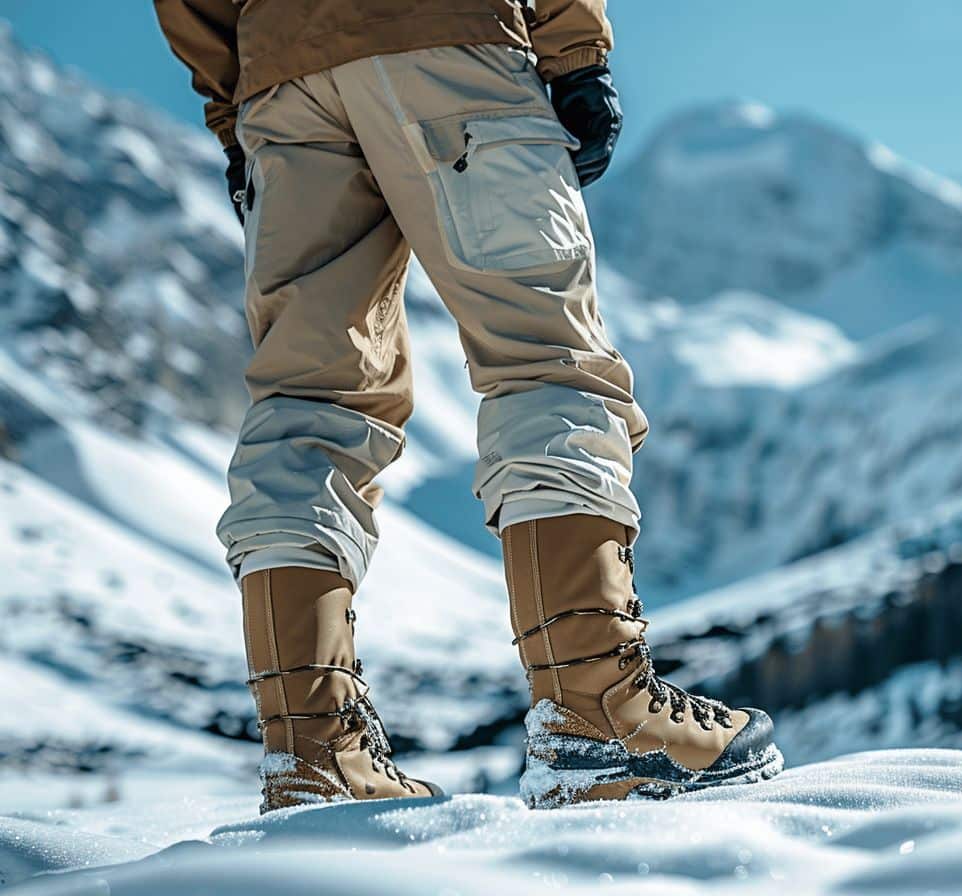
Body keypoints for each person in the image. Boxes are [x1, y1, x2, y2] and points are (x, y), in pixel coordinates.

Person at [153, 0, 782, 812]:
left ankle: (311, 755)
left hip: (281, 70)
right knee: (544, 358)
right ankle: (599, 716)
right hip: (447, 31)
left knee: (308, 403)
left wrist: (233, 102)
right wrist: (574, 50)